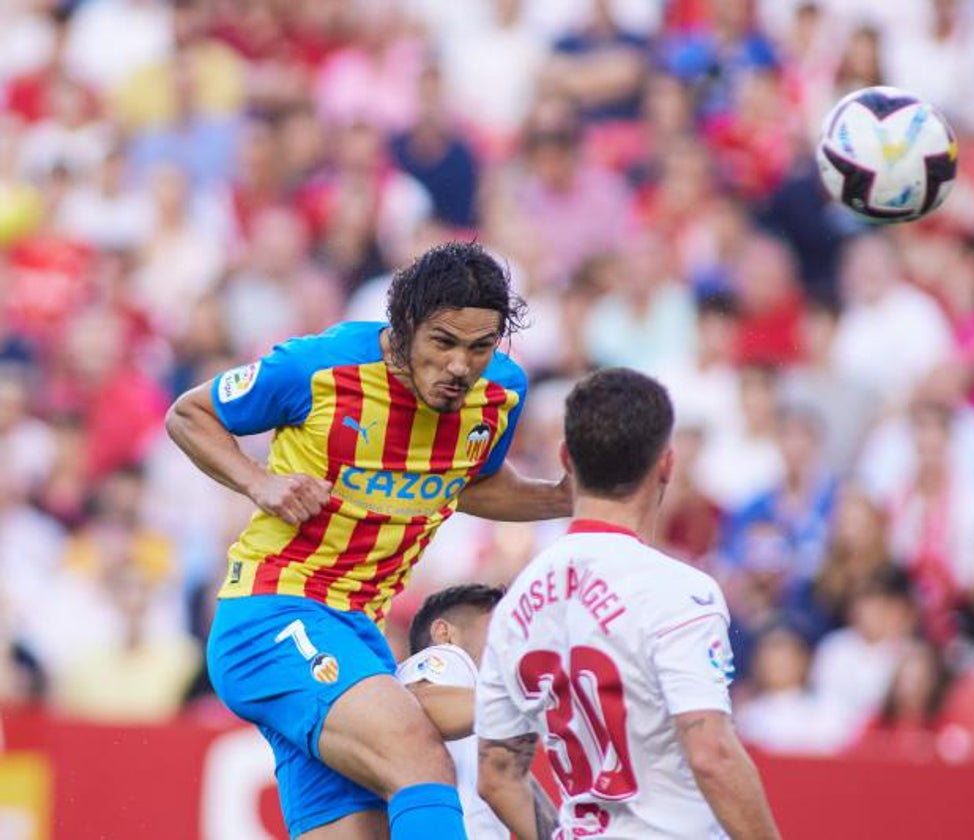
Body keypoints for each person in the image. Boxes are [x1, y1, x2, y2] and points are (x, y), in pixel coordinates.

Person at [166, 241, 572, 839]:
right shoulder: (320, 367)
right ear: (403, 328)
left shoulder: (499, 396)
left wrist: (566, 498)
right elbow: (188, 415)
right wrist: (259, 482)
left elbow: (469, 484)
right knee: (421, 758)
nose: (461, 365)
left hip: (361, 635)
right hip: (272, 614)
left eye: (480, 347)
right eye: (443, 342)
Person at [474, 368, 780, 840]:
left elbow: (496, 774)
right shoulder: (680, 592)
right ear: (666, 464)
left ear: (565, 460)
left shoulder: (516, 603)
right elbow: (710, 752)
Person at [396, 584, 556, 840]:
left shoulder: (478, 707)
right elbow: (415, 705)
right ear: (444, 633)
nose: (511, 643)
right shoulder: (449, 657)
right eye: (499, 629)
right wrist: (529, 699)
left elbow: (508, 784)